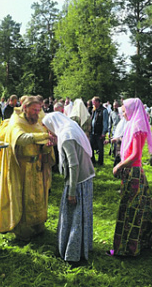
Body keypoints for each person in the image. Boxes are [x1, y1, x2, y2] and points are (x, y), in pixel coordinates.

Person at [0, 96, 55, 241]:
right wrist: (44, 136)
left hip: (37, 166)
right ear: (25, 108)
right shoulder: (16, 121)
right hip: (21, 167)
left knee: (38, 198)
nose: (37, 113)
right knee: (23, 199)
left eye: (39, 110)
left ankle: (38, 226)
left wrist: (47, 147)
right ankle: (23, 229)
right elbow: (21, 139)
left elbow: (44, 144)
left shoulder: (37, 121)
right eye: (34, 110)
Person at [42, 112, 95, 263]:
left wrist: (71, 192)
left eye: (48, 129)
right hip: (85, 178)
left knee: (74, 218)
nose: (48, 132)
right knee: (82, 216)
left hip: (77, 181)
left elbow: (73, 165)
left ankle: (72, 253)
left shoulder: (66, 136)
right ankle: (81, 248)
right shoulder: (69, 129)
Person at [109, 98, 152, 257]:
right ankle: (132, 246)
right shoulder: (134, 125)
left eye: (125, 111)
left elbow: (135, 154)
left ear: (132, 110)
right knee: (132, 208)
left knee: (130, 210)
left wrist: (119, 165)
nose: (123, 114)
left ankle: (127, 248)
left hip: (133, 172)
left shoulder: (136, 126)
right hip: (133, 172)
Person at [90, 96, 108, 166]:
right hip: (93, 132)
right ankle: (93, 161)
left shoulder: (104, 110)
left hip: (99, 132)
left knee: (100, 148)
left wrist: (103, 133)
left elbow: (105, 122)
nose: (92, 103)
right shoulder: (93, 110)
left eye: (93, 102)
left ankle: (100, 162)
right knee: (91, 147)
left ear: (97, 102)